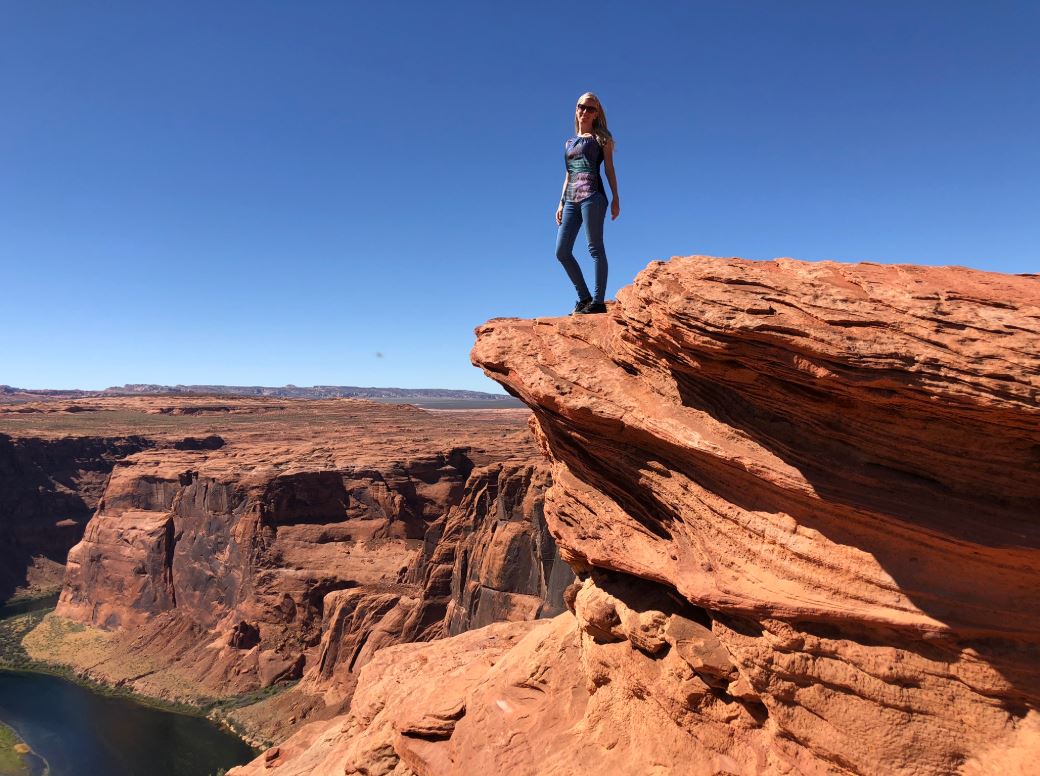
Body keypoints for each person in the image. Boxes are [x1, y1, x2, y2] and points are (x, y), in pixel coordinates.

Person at [555, 92, 620, 315]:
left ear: (596, 114)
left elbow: (609, 169)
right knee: (562, 251)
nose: (585, 111)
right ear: (576, 108)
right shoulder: (569, 142)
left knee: (595, 247)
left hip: (593, 195)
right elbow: (567, 174)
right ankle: (584, 298)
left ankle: (598, 302)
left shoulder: (602, 138)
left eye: (591, 109)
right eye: (582, 106)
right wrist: (561, 203)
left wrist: (616, 198)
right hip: (571, 198)